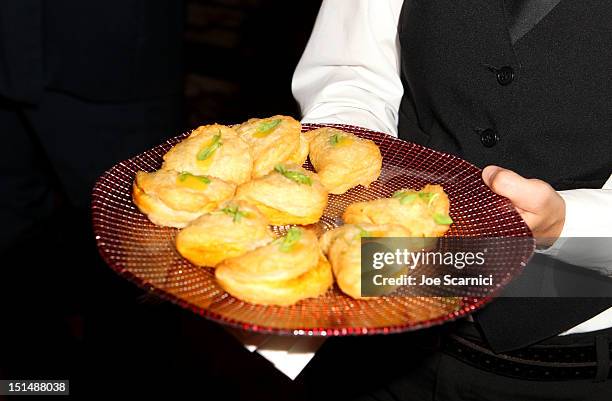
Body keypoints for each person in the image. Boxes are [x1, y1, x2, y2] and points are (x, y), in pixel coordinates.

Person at [292, 0, 612, 399]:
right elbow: (352, 73)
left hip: (560, 372)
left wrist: (568, 223)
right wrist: (351, 163)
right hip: (375, 339)